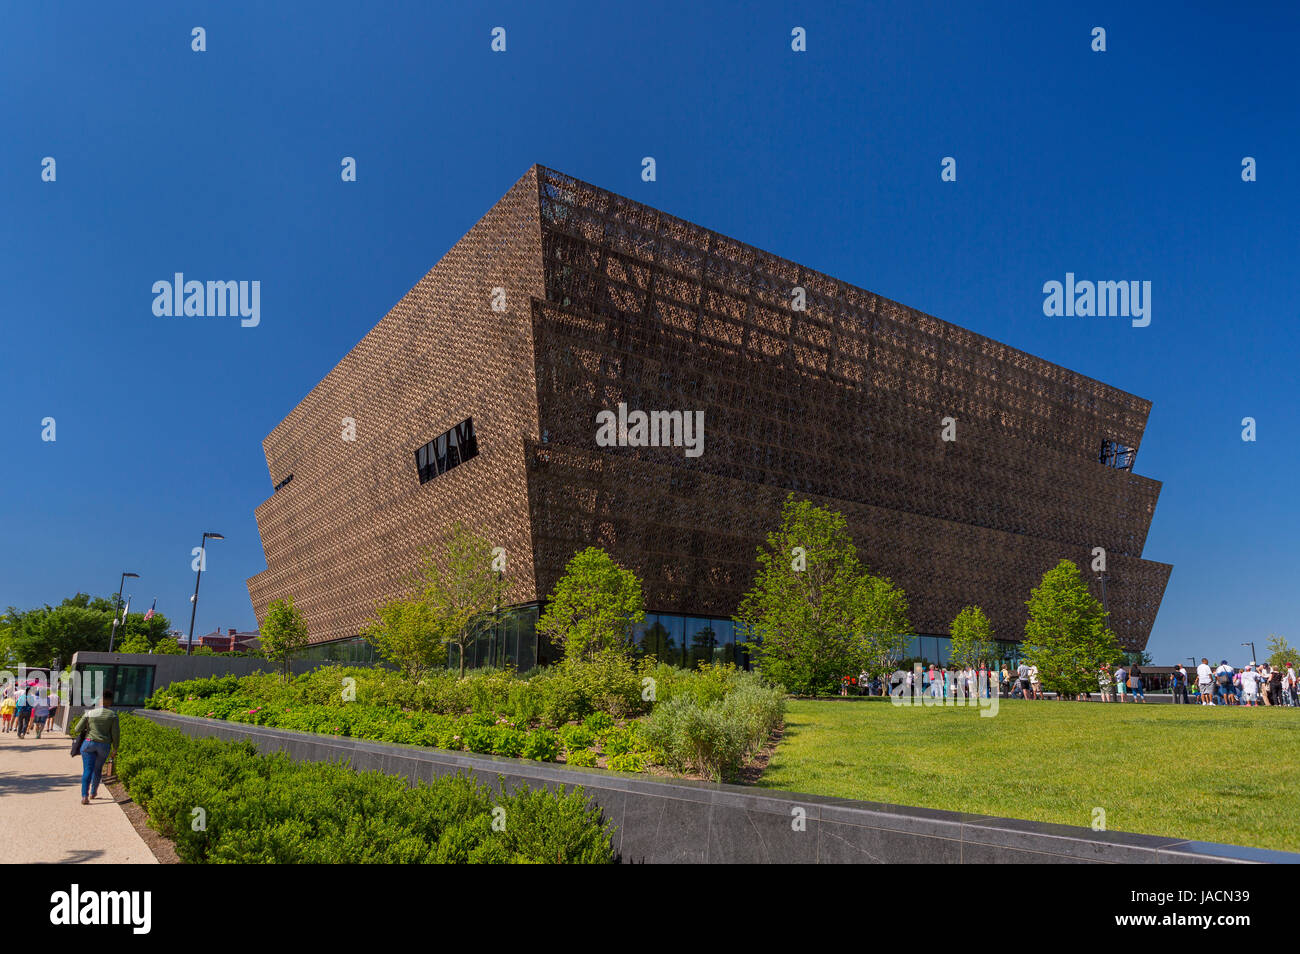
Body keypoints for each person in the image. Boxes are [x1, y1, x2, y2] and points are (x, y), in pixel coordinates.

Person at [70, 690, 120, 805]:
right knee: (97, 770)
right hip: (104, 745)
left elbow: (77, 729)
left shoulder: (90, 713)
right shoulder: (113, 715)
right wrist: (115, 748)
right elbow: (116, 734)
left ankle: (84, 796)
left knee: (87, 770)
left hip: (89, 743)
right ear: (110, 701)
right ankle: (93, 793)